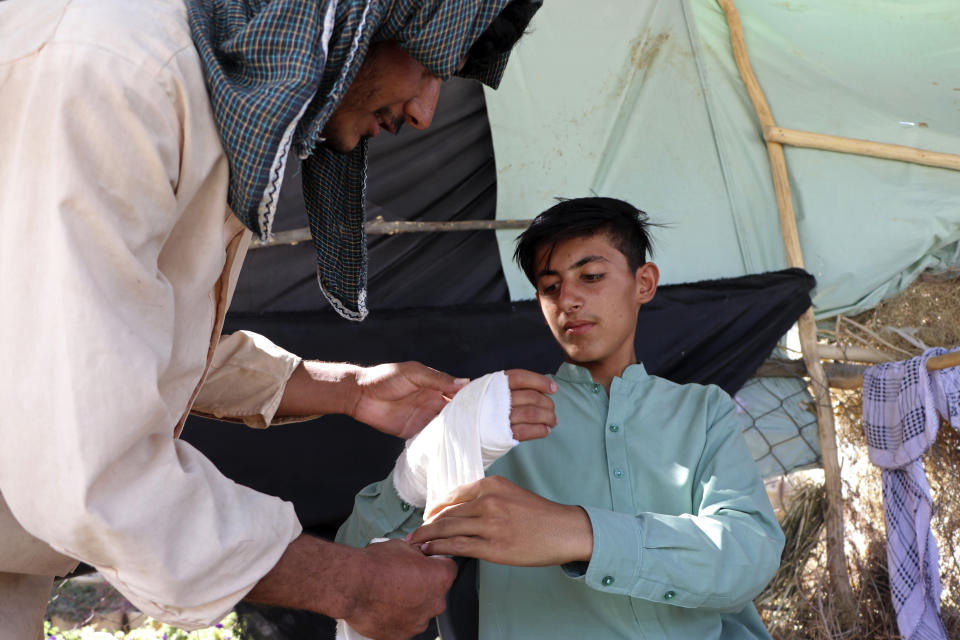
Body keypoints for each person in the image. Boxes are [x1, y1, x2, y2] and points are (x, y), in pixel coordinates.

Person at [0, 1, 553, 639]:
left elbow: (93, 336)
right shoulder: (121, 75)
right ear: (354, 21)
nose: (425, 111)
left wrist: (347, 389)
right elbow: (93, 456)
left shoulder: (187, 70)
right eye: (431, 66)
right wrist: (353, 585)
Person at [337, 197, 786, 639]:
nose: (567, 299)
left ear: (644, 283)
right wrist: (421, 465)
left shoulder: (702, 412)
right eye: (550, 287)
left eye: (590, 276)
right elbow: (353, 564)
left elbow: (748, 553)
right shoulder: (497, 419)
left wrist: (577, 532)